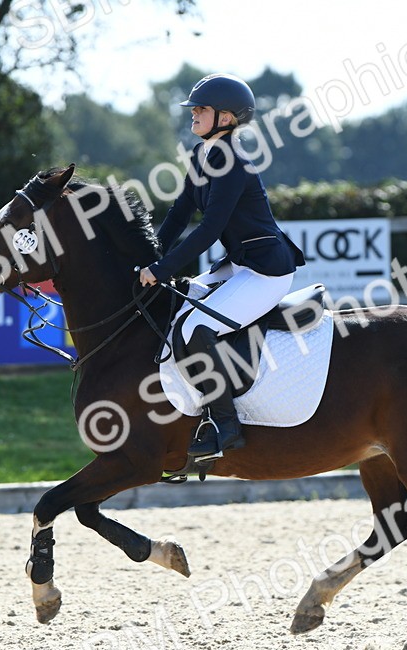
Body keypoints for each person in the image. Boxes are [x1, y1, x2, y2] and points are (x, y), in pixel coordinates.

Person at [138, 73, 305, 461]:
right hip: (240, 264)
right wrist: (152, 256)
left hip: (267, 271)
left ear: (227, 118)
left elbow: (210, 227)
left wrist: (162, 270)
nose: (193, 114)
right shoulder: (203, 155)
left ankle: (224, 424)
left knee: (196, 327)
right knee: (180, 308)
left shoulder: (231, 161)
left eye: (202, 109)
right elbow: (180, 213)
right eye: (194, 108)